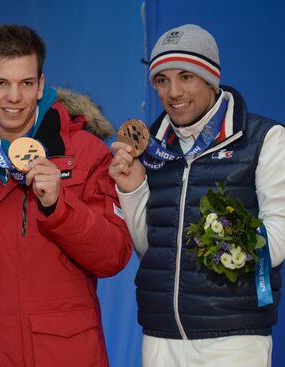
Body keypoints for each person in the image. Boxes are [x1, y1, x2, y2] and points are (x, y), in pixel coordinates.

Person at [0, 24, 132, 367]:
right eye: (1, 83)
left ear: (41, 85)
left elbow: (113, 255)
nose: (14, 97)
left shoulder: (84, 153)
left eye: (26, 84)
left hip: (64, 355)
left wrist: (61, 205)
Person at [110, 24, 284, 367]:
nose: (173, 92)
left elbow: (278, 240)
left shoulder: (265, 139)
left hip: (233, 337)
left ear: (210, 78)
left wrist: (222, 238)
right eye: (162, 80)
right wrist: (132, 190)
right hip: (160, 337)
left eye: (186, 77)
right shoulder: (152, 148)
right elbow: (150, 247)